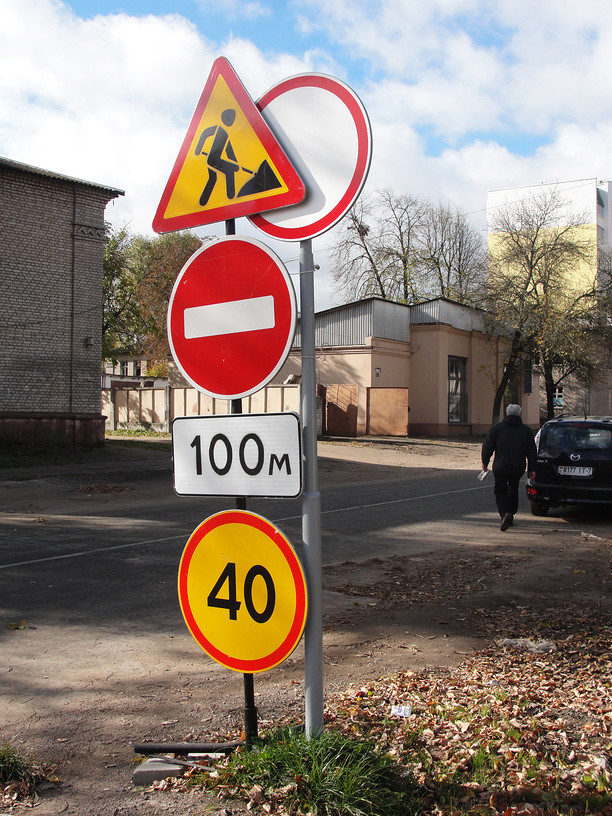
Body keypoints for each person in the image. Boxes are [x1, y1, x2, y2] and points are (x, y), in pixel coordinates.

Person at [481, 404, 537, 531]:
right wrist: (532, 468)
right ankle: (510, 513)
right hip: (518, 466)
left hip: (500, 465)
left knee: (500, 490)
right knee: (513, 489)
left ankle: (505, 513)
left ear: (506, 413)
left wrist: (485, 462)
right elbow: (532, 451)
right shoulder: (526, 431)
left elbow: (487, 446)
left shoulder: (497, 428)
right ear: (519, 414)